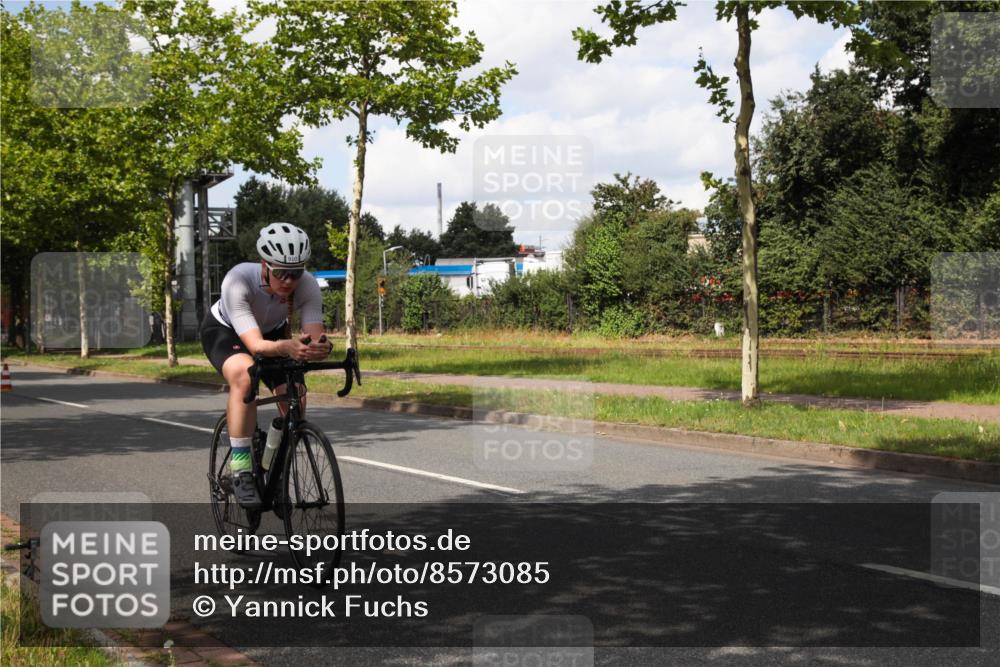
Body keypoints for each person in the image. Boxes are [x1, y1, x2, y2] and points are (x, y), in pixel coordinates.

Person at [200, 222, 332, 508]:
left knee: (296, 389)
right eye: (280, 272)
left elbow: (314, 332)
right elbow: (257, 347)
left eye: (295, 272)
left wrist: (321, 346)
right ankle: (242, 470)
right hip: (227, 332)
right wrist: (288, 346)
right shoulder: (237, 280)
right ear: (264, 266)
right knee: (246, 377)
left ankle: (276, 464)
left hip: (272, 333)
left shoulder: (307, 285)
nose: (288, 280)